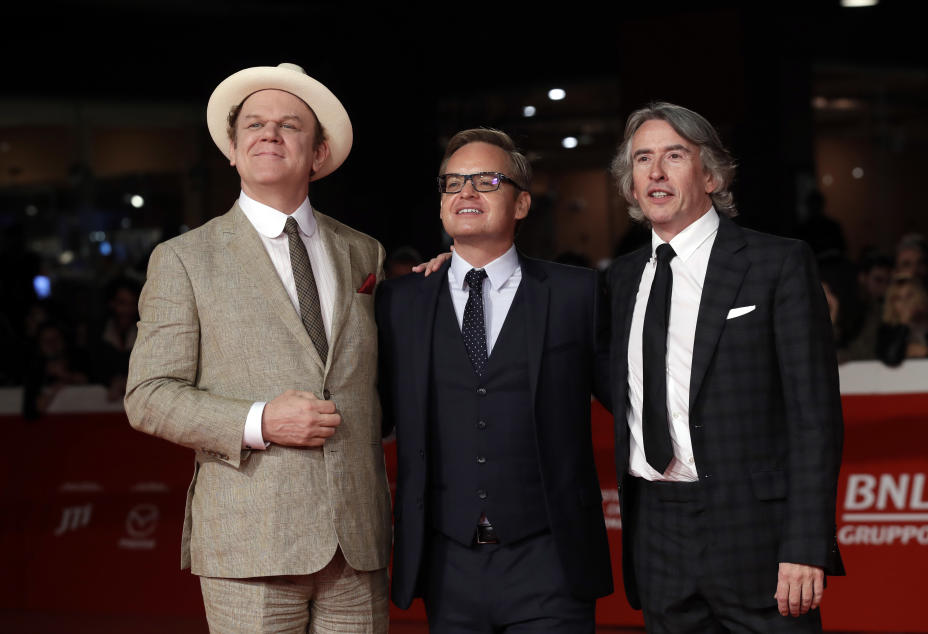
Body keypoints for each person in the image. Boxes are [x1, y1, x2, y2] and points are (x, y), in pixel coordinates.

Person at [124, 63, 391, 632]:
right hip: (251, 542)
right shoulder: (184, 259)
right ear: (233, 149)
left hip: (357, 543)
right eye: (254, 124)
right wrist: (259, 420)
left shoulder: (364, 252)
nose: (269, 133)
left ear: (319, 154)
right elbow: (147, 396)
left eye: (289, 125)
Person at [605, 102, 844, 632]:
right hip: (657, 531)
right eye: (642, 159)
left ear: (711, 174)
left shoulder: (776, 263)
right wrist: (452, 267)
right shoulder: (618, 282)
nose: (656, 172)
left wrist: (806, 544)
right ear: (629, 184)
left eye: (674, 155)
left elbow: (814, 418)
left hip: (754, 531)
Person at [377, 128, 613, 632]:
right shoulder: (400, 302)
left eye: (486, 180)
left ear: (522, 203)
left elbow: (632, 399)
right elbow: (375, 414)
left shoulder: (579, 294)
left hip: (551, 560)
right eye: (452, 182)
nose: (465, 192)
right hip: (447, 565)